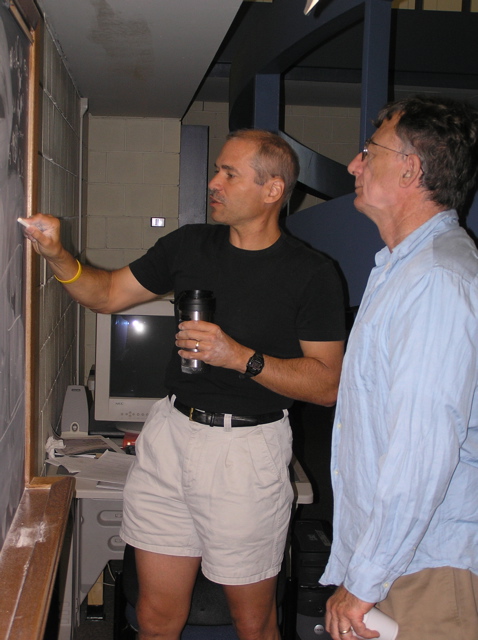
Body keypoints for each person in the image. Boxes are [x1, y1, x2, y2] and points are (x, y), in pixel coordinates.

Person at [21, 129, 346, 640]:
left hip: (246, 450)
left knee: (254, 623)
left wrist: (238, 357)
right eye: (216, 170)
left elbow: (328, 384)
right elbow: (107, 294)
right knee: (155, 618)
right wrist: (56, 253)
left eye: (229, 174)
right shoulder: (189, 245)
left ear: (272, 190)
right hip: (171, 436)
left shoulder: (312, 273)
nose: (213, 182)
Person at [320, 96, 478, 640]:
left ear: (410, 169)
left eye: (369, 152)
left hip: (428, 567)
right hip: (400, 557)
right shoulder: (401, 270)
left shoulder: (435, 279)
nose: (354, 165)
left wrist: (364, 580)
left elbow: (421, 448)